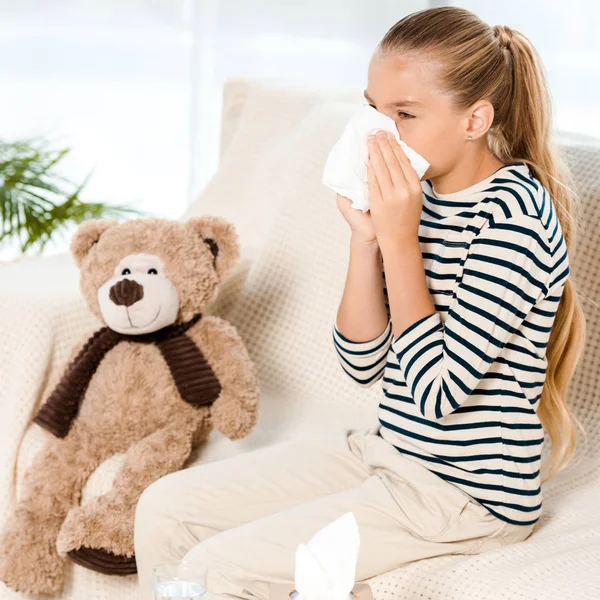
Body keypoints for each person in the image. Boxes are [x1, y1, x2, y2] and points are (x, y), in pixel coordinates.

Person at [133, 6, 586, 600]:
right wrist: (366, 237)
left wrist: (399, 239)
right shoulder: (414, 198)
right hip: (385, 453)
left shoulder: (515, 218)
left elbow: (437, 393)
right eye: (374, 109)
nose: (381, 133)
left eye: (406, 114)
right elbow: (364, 361)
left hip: (463, 497)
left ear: (475, 119)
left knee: (220, 567)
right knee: (165, 508)